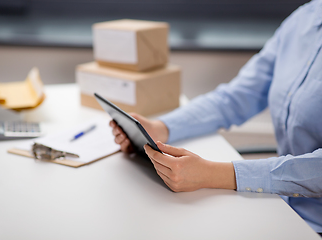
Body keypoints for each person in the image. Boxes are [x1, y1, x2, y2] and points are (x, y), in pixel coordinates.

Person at [110, 0, 322, 234]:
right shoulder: (305, 18)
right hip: (282, 206)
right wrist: (162, 127)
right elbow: (237, 96)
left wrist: (214, 174)